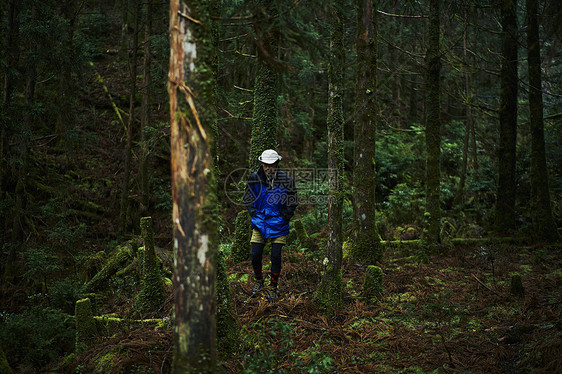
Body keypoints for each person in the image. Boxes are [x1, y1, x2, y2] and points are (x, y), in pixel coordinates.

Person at [243, 149, 298, 299]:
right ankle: (258, 281)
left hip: (279, 223)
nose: (268, 168)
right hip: (259, 222)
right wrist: (254, 213)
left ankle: (273, 288)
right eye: (265, 165)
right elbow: (247, 197)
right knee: (255, 255)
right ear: (261, 163)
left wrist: (285, 217)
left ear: (277, 164)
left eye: (271, 165)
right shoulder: (254, 178)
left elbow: (293, 200)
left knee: (276, 256)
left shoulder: (286, 180)